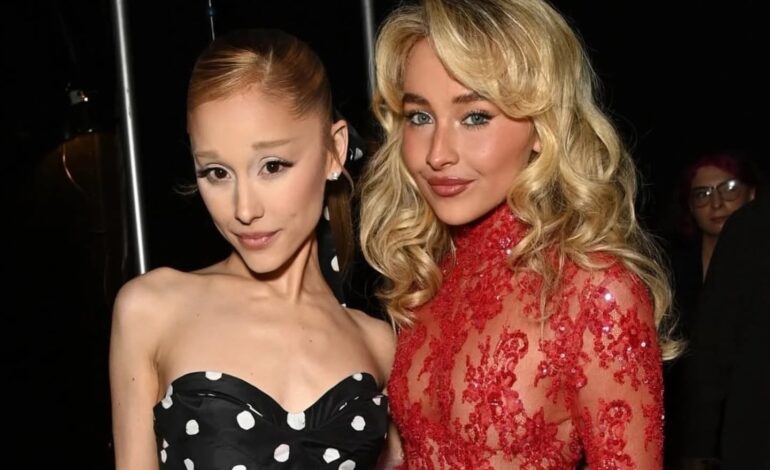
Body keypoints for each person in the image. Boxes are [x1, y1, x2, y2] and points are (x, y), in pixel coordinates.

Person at [359, 0, 678, 468]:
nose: (437, 154)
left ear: (542, 127)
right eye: (420, 117)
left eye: (475, 117)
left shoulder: (595, 291)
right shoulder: (427, 275)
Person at [109, 29, 395, 470]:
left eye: (272, 166)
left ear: (334, 151)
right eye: (217, 172)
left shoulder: (379, 343)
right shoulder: (152, 309)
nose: (244, 209)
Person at [663, 152, 758, 467]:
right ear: (689, 207)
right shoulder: (669, 270)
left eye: (728, 188)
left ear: (752, 193)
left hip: (747, 427)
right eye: (702, 194)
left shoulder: (759, 266)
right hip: (682, 428)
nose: (716, 203)